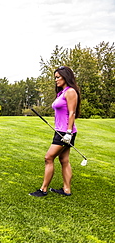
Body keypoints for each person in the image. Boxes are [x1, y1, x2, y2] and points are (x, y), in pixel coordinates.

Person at [29, 66, 81, 197]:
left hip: (65, 132)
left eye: (58, 77)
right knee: (64, 159)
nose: (56, 80)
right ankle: (66, 190)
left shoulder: (70, 92)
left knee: (48, 157)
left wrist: (68, 132)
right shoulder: (62, 93)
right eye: (55, 77)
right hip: (60, 131)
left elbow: (72, 112)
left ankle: (43, 189)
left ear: (66, 77)